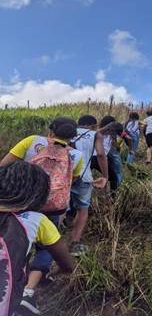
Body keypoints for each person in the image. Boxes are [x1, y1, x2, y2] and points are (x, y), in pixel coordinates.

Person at [0, 117, 82, 315]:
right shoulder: (77, 155)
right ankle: (30, 288)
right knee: (46, 243)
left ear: (51, 130)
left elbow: (4, 165)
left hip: (15, 200)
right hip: (53, 206)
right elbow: (75, 179)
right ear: (73, 136)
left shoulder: (31, 141)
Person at [0, 161, 74, 316]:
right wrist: (54, 273)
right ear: (38, 196)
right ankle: (28, 293)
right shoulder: (36, 221)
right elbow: (67, 265)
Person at [69, 115, 108, 256]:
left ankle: (50, 243)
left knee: (60, 208)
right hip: (83, 176)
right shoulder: (95, 134)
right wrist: (105, 176)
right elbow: (101, 155)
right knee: (82, 209)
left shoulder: (68, 130)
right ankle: (74, 243)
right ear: (93, 125)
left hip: (63, 176)